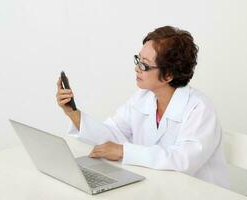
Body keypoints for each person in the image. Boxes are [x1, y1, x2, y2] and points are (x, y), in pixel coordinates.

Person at [56, 26, 230, 188]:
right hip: (155, 188)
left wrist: (125, 151)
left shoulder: (199, 108)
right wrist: (73, 114)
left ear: (169, 74)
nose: (137, 69)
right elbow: (113, 133)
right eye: (138, 60)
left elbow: (182, 161)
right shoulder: (142, 97)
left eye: (144, 65)